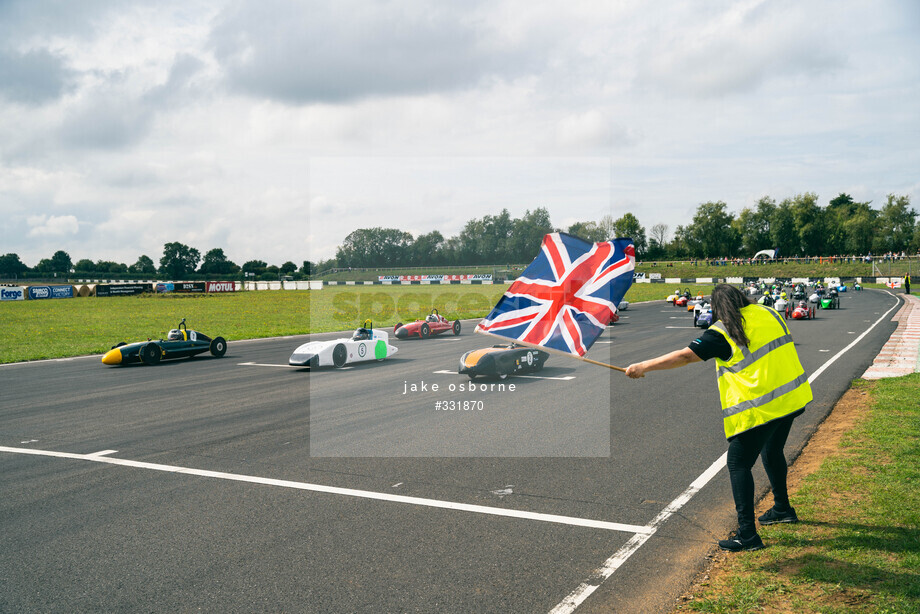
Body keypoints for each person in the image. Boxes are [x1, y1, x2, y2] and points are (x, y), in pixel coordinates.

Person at [625, 284, 812, 552]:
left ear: (717, 308)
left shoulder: (723, 331)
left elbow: (685, 356)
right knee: (772, 451)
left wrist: (643, 366)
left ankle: (747, 534)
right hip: (791, 398)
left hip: (763, 407)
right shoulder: (769, 312)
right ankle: (782, 508)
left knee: (738, 463)